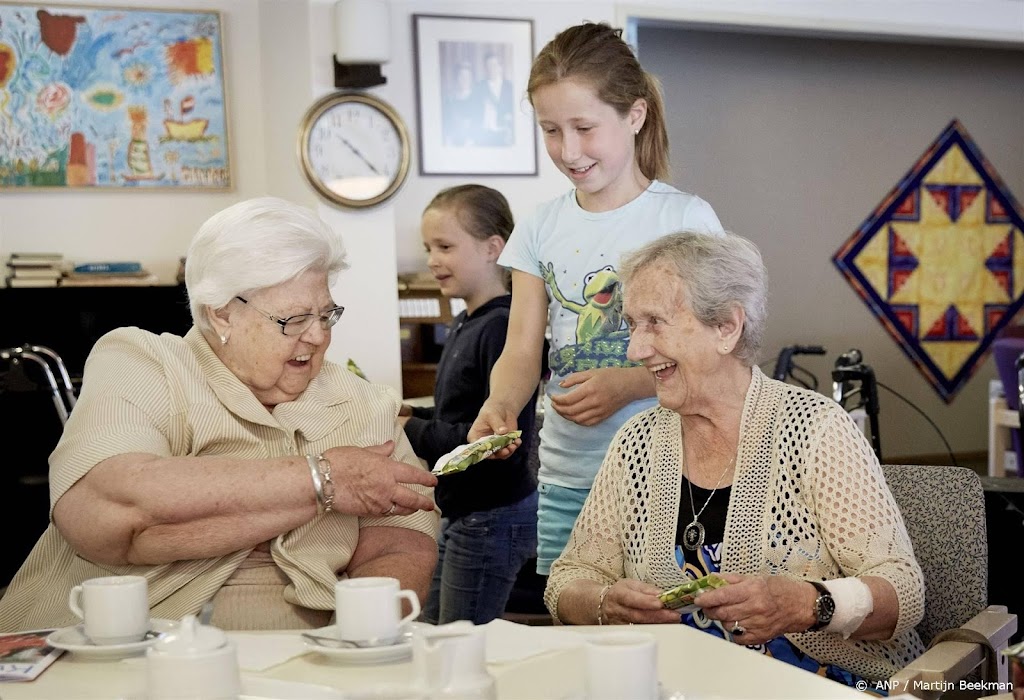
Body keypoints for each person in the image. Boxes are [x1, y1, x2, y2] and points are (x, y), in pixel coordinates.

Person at [0, 197, 440, 632]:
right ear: (223, 313)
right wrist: (323, 480)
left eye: (327, 315)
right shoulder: (145, 363)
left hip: (312, 653)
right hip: (129, 642)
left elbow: (403, 539)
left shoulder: (363, 403)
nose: (318, 337)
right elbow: (109, 513)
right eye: (294, 319)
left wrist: (359, 641)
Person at [545, 231, 926, 689]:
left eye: (655, 323)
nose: (635, 350)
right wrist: (605, 602)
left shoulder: (815, 429)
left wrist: (806, 604)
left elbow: (903, 591)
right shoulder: (637, 442)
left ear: (726, 326)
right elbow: (568, 579)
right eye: (632, 324)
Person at [468, 21, 723, 577]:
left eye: (584, 127)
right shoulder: (538, 227)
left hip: (673, 468)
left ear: (634, 116)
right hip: (569, 474)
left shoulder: (684, 218)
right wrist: (502, 405)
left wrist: (630, 383)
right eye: (551, 130)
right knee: (578, 615)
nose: (569, 150)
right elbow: (521, 351)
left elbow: (716, 355)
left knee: (670, 624)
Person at [399, 185, 540, 625]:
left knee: (458, 642)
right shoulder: (464, 322)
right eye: (428, 248)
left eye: (444, 246)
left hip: (491, 515)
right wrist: (407, 414)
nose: (432, 260)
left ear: (493, 248)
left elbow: (484, 441)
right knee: (433, 633)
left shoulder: (502, 328)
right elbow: (454, 418)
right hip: (464, 512)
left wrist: (408, 426)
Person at [475, 53, 515, 147]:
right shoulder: (479, 87)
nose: (491, 69)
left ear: (500, 67)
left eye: (494, 65)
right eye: (488, 66)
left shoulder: (510, 88)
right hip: (484, 135)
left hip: (504, 133)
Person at [442, 62, 482, 147]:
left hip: (472, 144)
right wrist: (448, 140)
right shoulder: (450, 100)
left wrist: (470, 141)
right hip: (452, 143)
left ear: (471, 78)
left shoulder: (477, 100)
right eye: (461, 76)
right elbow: (447, 123)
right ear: (457, 78)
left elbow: (479, 123)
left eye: (467, 76)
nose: (465, 79)